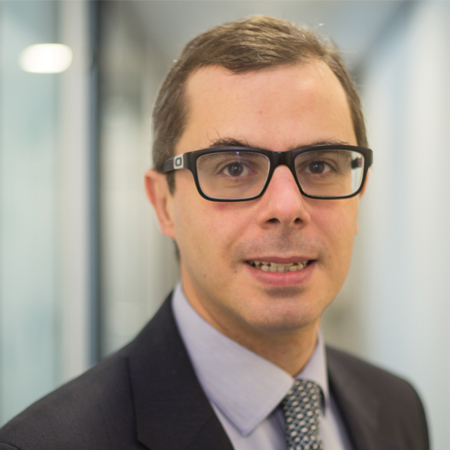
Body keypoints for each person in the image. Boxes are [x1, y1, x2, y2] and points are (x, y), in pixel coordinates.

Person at [0, 15, 429, 450]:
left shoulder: (398, 407)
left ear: (358, 194)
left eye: (319, 165)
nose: (286, 208)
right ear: (163, 203)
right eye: (234, 168)